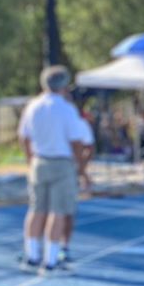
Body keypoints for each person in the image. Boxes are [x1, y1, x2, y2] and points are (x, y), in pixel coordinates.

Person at [16, 66, 91, 271]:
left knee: (36, 209)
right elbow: (76, 141)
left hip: (39, 161)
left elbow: (24, 137)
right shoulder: (66, 109)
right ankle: (50, 260)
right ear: (64, 85)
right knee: (58, 212)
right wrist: (79, 166)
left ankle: (31, 256)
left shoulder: (33, 106)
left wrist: (30, 159)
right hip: (61, 162)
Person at [58, 95, 95, 267]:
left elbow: (89, 148)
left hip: (67, 169)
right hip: (54, 168)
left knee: (64, 210)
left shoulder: (79, 123)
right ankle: (41, 249)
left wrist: (81, 170)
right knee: (46, 211)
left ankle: (62, 247)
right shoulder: (47, 116)